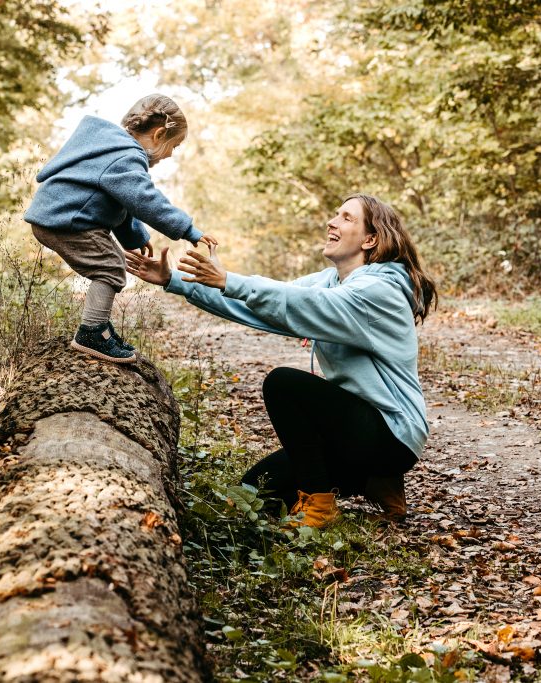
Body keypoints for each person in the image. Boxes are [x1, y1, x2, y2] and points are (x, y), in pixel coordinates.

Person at [126, 194, 436, 526]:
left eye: (346, 218)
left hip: (391, 433)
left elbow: (304, 303)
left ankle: (322, 506)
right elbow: (263, 303)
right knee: (253, 491)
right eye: (335, 213)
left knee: (284, 384)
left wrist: (231, 280)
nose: (332, 222)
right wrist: (174, 280)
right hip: (348, 427)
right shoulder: (330, 281)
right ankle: (372, 480)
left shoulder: (379, 291)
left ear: (371, 239)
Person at [25, 94, 217, 363]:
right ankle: (91, 333)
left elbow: (122, 201)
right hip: (69, 221)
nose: (172, 153)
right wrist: (188, 230)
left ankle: (98, 327)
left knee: (112, 263)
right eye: (175, 145)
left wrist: (134, 237)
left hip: (56, 217)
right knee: (110, 268)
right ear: (160, 134)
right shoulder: (126, 156)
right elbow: (145, 200)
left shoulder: (110, 147)